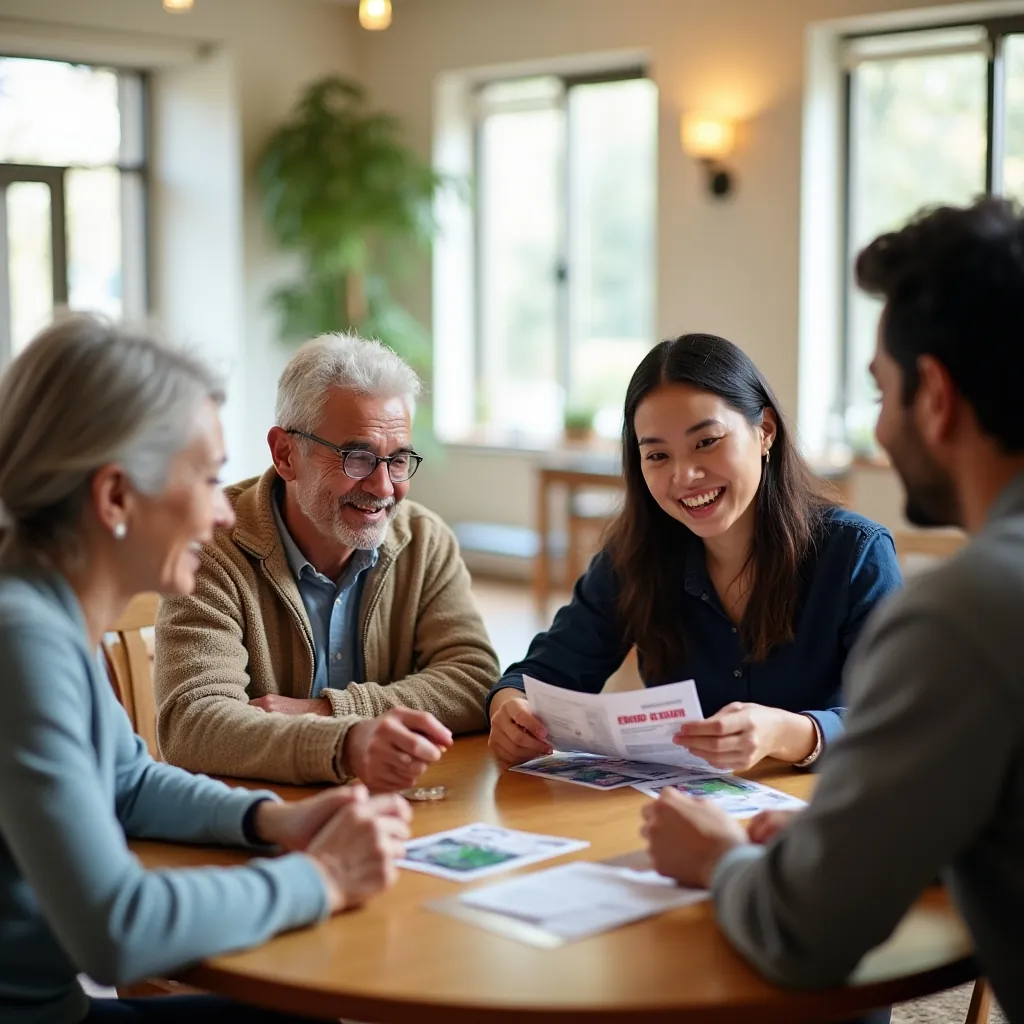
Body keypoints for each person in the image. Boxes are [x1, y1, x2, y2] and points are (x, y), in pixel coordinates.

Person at [642, 198, 1024, 1022]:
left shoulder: (963, 613)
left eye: (881, 391)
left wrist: (717, 862)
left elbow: (805, 933)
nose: (880, 426)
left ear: (937, 395)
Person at [0, 314, 412, 1024]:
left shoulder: (45, 614)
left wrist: (273, 820)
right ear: (116, 498)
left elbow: (126, 783)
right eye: (211, 479)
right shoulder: (23, 644)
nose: (226, 513)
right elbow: (117, 931)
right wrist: (322, 876)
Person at [488, 334, 901, 773]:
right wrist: (510, 706)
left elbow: (901, 720)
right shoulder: (635, 556)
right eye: (658, 455)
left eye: (706, 442)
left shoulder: (856, 554)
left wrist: (786, 733)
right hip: (682, 815)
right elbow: (541, 674)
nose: (684, 476)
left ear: (765, 431)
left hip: (824, 813)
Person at [154, 333, 498, 790]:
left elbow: (475, 682)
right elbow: (194, 725)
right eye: (357, 458)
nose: (383, 486)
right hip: (258, 821)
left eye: (397, 461)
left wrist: (330, 713)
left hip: (394, 811)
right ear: (285, 454)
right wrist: (347, 744)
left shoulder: (424, 541)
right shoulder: (212, 548)